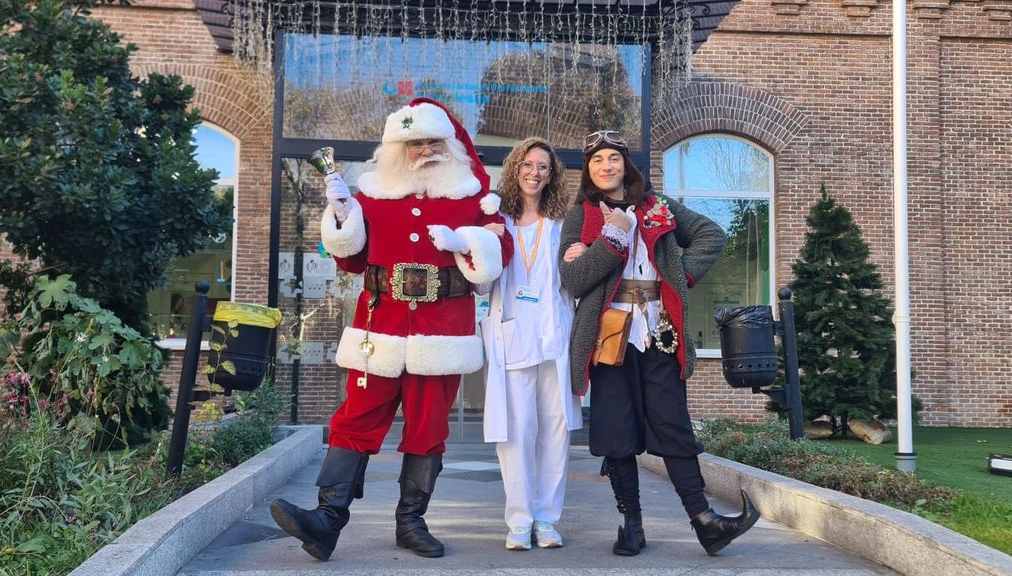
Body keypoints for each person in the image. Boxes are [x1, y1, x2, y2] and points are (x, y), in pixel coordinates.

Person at [268, 98, 513, 562]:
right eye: (414, 143)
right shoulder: (372, 195)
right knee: (356, 417)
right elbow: (351, 258)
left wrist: (467, 240)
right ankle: (327, 520)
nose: (424, 151)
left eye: (432, 142)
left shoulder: (473, 198)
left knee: (428, 425)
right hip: (378, 325)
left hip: (441, 330)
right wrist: (342, 215)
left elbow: (500, 254)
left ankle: (410, 521)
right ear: (397, 150)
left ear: (449, 145)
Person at [559, 130, 760, 557]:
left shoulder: (659, 207)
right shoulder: (582, 216)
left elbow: (712, 235)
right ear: (589, 172)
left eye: (613, 158)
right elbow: (574, 280)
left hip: (659, 332)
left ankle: (704, 521)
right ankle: (631, 525)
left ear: (625, 165)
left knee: (672, 425)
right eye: (597, 161)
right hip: (608, 337)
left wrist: (679, 277)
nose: (606, 166)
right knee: (616, 429)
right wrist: (611, 241)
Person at [478, 137, 583, 551]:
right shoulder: (496, 221)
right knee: (516, 432)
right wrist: (482, 246)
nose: (535, 172)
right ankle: (519, 519)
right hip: (511, 337)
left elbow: (573, 282)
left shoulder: (562, 225)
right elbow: (482, 283)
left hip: (555, 337)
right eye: (528, 164)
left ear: (552, 175)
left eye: (543, 166)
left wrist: (581, 254)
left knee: (555, 432)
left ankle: (547, 519)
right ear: (515, 168)